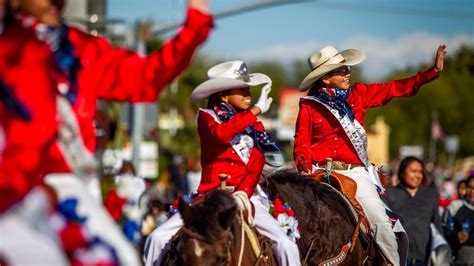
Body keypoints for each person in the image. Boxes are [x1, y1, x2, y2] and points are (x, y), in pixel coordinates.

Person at [1, 0, 213, 264]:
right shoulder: (7, 44)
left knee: (123, 259)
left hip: (67, 188)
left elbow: (145, 78)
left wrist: (195, 25)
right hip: (11, 190)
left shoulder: (80, 48)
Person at [293, 44, 446, 265]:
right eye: (341, 70)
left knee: (380, 224)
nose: (348, 73)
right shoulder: (310, 105)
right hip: (318, 172)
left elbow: (395, 88)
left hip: (354, 173)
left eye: (347, 69)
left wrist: (431, 73)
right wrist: (304, 173)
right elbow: (301, 144)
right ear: (325, 78)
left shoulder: (359, 94)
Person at [144, 60, 301, 266]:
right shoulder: (206, 117)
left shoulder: (253, 123)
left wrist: (244, 191)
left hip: (247, 197)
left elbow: (257, 161)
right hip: (209, 196)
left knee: (285, 244)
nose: (248, 94)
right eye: (242, 90)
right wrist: (253, 111)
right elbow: (222, 135)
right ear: (224, 95)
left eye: (249, 90)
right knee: (156, 237)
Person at [384, 156, 443, 266]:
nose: (417, 175)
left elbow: (437, 225)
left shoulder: (431, 194)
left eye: (420, 171)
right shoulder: (389, 194)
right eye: (413, 171)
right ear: (402, 173)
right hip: (397, 257)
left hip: (423, 257)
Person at [443, 175, 474, 265]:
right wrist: (456, 235)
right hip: (458, 260)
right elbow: (442, 229)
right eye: (470, 187)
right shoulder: (455, 206)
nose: (472, 192)